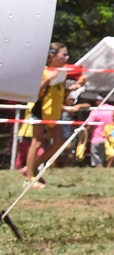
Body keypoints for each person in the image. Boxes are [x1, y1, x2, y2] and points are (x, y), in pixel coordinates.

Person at [21, 42, 69, 186]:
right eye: (64, 54)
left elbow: (59, 94)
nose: (67, 57)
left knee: (59, 143)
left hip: (54, 113)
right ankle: (29, 178)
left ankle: (31, 168)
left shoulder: (62, 72)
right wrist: (48, 79)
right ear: (52, 56)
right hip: (40, 110)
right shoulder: (43, 71)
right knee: (36, 143)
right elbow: (34, 92)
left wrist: (73, 88)